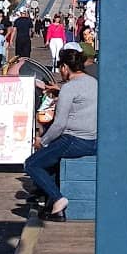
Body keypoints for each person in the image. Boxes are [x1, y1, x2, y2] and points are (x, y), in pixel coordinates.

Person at [23, 46, 96, 219]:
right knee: (51, 160)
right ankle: (51, 202)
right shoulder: (93, 82)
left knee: (32, 164)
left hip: (74, 140)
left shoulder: (70, 88)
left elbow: (59, 124)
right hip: (93, 140)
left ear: (64, 67)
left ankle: (58, 199)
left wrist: (43, 141)